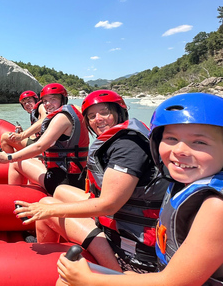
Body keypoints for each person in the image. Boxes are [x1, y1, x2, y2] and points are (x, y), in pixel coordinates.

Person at [57, 92, 223, 286]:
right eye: (171, 139)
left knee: (66, 281)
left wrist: (89, 279)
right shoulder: (183, 183)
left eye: (199, 142)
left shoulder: (215, 207)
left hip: (165, 276)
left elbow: (175, 282)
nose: (179, 151)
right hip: (161, 269)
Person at [16, 90, 167, 273]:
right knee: (61, 190)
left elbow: (109, 205)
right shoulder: (126, 137)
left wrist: (48, 210)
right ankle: (49, 243)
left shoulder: (128, 146)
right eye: (92, 116)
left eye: (105, 112)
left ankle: (45, 264)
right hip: (122, 218)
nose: (98, 119)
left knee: (46, 204)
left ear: (119, 112)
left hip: (131, 254)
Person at [0, 83, 89, 194]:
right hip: (76, 177)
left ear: (63, 100)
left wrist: (9, 157)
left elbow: (39, 146)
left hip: (62, 181)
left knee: (16, 163)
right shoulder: (73, 112)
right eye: (44, 101)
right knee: (32, 159)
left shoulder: (61, 118)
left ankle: (12, 199)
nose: (48, 104)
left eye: (53, 99)